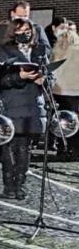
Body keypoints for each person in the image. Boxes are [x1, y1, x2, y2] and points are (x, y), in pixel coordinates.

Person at [0, 18, 49, 200]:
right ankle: (9, 185)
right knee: (10, 147)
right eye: (20, 30)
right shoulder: (4, 51)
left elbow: (50, 73)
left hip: (33, 103)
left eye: (28, 30)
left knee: (25, 148)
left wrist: (45, 79)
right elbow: (1, 80)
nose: (25, 33)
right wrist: (20, 76)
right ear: (13, 32)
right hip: (12, 103)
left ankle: (20, 184)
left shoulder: (39, 51)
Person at [53, 22, 79, 156]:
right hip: (76, 92)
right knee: (75, 122)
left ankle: (62, 146)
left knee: (61, 120)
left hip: (59, 91)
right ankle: (74, 148)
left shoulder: (56, 52)